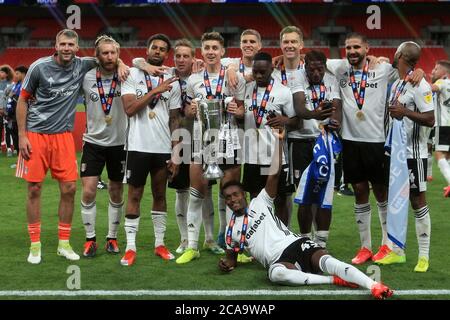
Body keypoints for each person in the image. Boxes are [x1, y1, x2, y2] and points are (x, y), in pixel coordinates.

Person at [219, 125, 393, 300]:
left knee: (330, 262)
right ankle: (333, 281)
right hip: (279, 261)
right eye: (228, 197)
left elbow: (273, 174)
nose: (233, 200)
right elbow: (231, 259)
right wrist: (226, 264)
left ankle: (375, 286)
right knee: (276, 275)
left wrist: (279, 141)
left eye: (236, 194)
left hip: (296, 243)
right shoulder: (231, 230)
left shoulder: (260, 202)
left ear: (244, 195)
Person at [15, 29, 129, 264]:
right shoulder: (39, 67)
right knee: (34, 189)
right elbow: (23, 99)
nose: (67, 48)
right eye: (63, 44)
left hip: (64, 136)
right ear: (55, 45)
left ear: (77, 48)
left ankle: (64, 244)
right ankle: (35, 245)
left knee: (69, 190)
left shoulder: (83, 65)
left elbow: (110, 56)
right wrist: (22, 135)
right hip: (35, 134)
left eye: (71, 45)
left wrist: (121, 64)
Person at [326, 32, 423, 264]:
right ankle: (365, 247)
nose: (352, 51)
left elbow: (407, 64)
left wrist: (418, 71)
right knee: (359, 192)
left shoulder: (383, 69)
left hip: (378, 142)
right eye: (348, 47)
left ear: (367, 48)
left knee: (381, 193)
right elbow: (307, 60)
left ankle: (387, 244)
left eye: (356, 47)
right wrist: (280, 58)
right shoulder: (338, 68)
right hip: (350, 142)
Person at [177, 31, 246, 264]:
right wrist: (191, 110)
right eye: (206, 48)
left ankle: (233, 246)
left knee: (232, 194)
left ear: (222, 52)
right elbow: (186, 112)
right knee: (196, 193)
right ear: (202, 51)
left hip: (230, 141)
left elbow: (244, 111)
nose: (210, 52)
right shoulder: (194, 80)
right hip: (201, 141)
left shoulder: (235, 77)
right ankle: (193, 247)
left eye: (215, 48)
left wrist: (239, 111)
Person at [120, 33, 181, 266]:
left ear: (167, 54)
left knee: (160, 195)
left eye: (162, 49)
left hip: (162, 148)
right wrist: (156, 91)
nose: (157, 51)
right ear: (147, 50)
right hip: (137, 147)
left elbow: (175, 120)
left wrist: (175, 153)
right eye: (154, 47)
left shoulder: (172, 80)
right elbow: (130, 109)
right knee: (134, 195)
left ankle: (159, 244)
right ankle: (130, 247)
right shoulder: (131, 74)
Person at [377, 42, 434, 273]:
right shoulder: (399, 83)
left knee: (417, 201)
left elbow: (430, 119)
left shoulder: (420, 84)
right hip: (397, 154)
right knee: (397, 202)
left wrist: (405, 112)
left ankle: (423, 256)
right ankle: (397, 252)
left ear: (398, 55)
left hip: (414, 155)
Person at [80, 35, 127, 258]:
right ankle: (90, 239)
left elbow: (140, 62)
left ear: (118, 54)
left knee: (116, 190)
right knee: (88, 191)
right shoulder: (87, 76)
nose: (109, 57)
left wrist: (125, 64)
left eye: (113, 53)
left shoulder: (126, 74)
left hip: (120, 143)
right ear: (96, 56)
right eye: (105, 53)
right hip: (93, 143)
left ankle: (112, 237)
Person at [293, 50, 342, 248]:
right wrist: (316, 114)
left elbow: (337, 110)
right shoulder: (297, 78)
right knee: (304, 195)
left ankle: (320, 243)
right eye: (311, 69)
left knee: (325, 194)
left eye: (319, 69)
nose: (315, 73)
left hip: (326, 141)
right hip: (301, 143)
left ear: (325, 67)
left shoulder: (332, 80)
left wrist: (335, 122)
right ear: (305, 67)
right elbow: (299, 108)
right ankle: (305, 240)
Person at [242, 51, 297, 224]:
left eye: (262, 72)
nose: (258, 75)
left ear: (271, 69)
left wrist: (284, 120)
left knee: (280, 199)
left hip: (276, 157)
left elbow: (297, 122)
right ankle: (259, 238)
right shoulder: (246, 89)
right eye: (255, 71)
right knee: (255, 200)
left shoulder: (283, 91)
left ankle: (283, 238)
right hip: (251, 157)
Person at [271, 26, 306, 226]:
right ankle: (284, 233)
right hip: (279, 141)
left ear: (301, 44)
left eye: (294, 41)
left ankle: (312, 239)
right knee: (282, 193)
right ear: (281, 45)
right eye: (286, 42)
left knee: (307, 192)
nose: (290, 45)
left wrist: (378, 59)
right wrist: (232, 68)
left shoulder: (312, 68)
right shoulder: (273, 70)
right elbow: (235, 64)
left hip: (305, 138)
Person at [430, 60, 450, 197]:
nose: (433, 71)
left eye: (436, 69)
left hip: (443, 125)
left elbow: (432, 89)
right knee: (448, 156)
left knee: (439, 154)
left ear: (444, 73)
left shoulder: (441, 82)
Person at [4, 65, 27, 162]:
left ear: (23, 74)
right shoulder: (16, 86)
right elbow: (8, 97)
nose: (15, 75)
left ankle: (24, 160)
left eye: (17, 73)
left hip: (23, 117)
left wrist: (13, 97)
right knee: (15, 137)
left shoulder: (27, 85)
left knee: (23, 137)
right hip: (13, 116)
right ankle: (19, 159)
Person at [0, 65, 14, 155]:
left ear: (7, 73)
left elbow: (10, 97)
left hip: (8, 109)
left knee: (9, 129)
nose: (0, 73)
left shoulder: (11, 84)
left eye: (2, 72)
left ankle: (10, 147)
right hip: (0, 109)